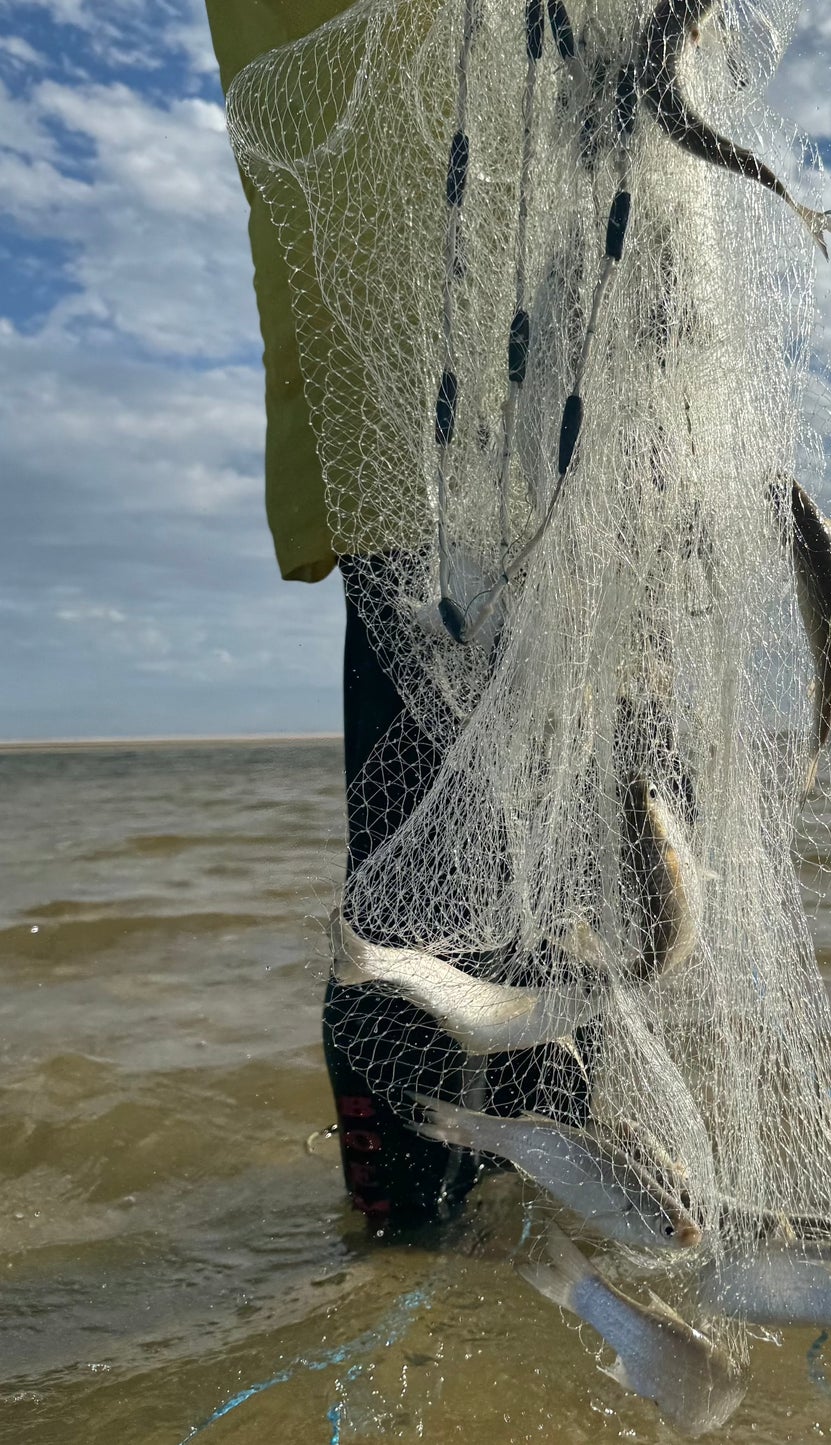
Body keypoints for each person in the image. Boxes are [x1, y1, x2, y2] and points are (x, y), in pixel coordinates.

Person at [206, 0, 484, 1236]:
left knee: (589, 897)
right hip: (404, 437)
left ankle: (500, 1213)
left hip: (575, 459)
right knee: (420, 888)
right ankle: (408, 1225)